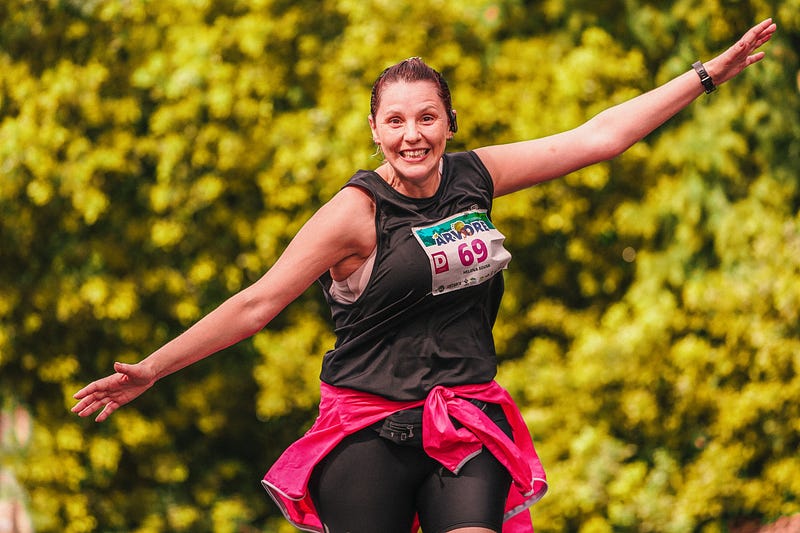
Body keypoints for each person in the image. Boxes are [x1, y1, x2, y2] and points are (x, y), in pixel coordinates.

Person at [72, 18, 776, 533]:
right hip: (365, 426)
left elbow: (599, 137)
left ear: (448, 122)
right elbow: (257, 303)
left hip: (464, 420)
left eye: (428, 118)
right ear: (375, 129)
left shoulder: (477, 176)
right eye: (397, 120)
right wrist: (154, 369)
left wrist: (707, 73)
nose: (413, 134)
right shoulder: (353, 214)